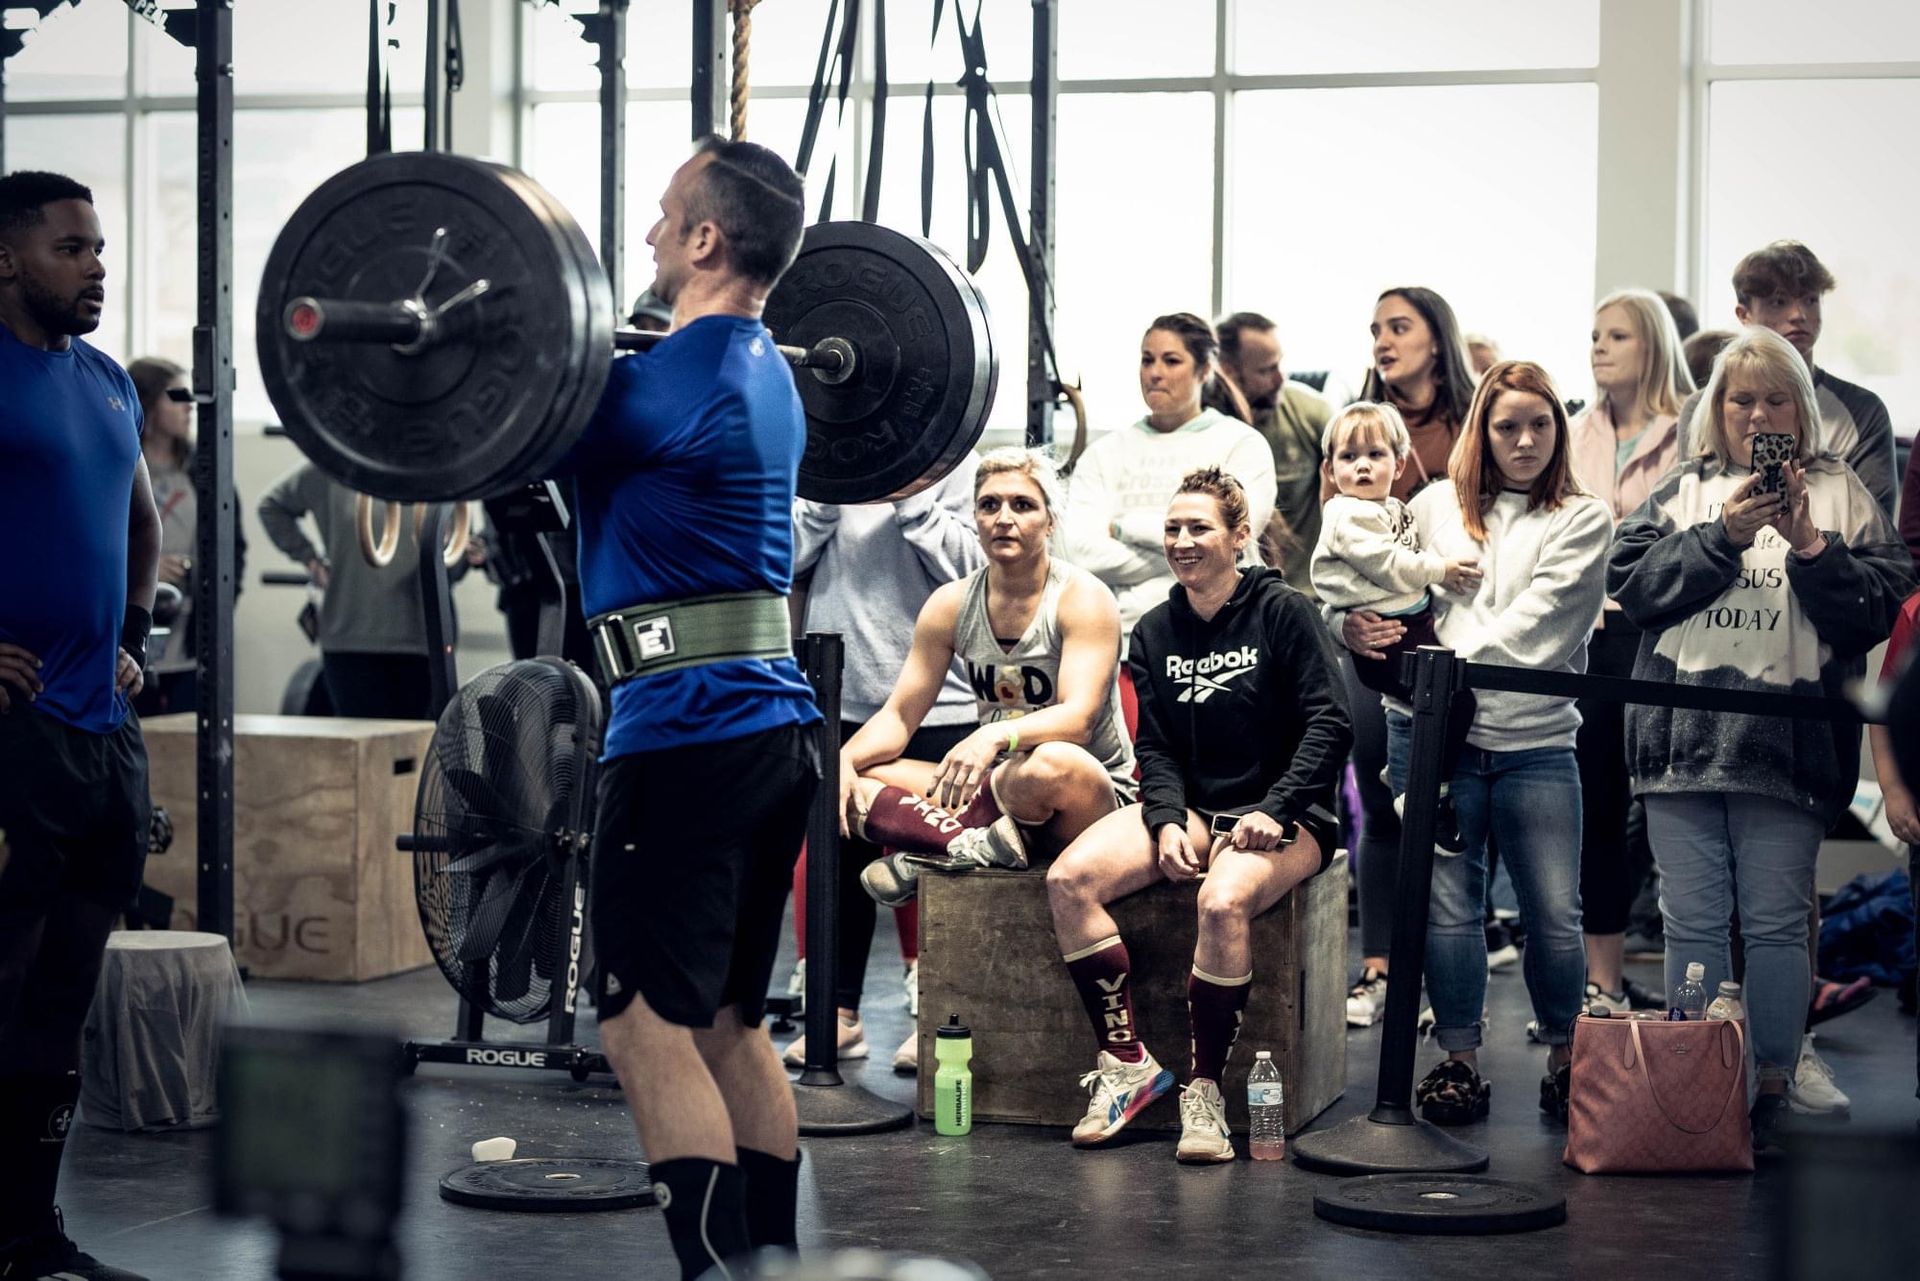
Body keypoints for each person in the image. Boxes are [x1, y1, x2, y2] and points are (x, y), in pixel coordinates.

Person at [555, 137, 824, 1280]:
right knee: (731, 1021)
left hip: (684, 740)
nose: (652, 235)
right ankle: (768, 1264)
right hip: (772, 735)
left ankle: (712, 1277)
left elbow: (495, 423)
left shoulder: (654, 389)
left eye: (668, 217)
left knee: (639, 1021)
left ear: (709, 238)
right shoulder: (762, 368)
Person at [1609, 325, 1912, 1149]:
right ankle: (1697, 1074)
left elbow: (1880, 605)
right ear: (1717, 408)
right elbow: (1631, 584)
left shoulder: (1844, 491)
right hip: (1681, 741)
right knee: (1692, 921)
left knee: (1779, 921)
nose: (1757, 413)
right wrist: (1725, 536)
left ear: (1802, 410)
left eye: (1776, 398)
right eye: (1741, 398)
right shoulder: (1683, 488)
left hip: (1789, 747)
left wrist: (1810, 544)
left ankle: (1775, 1076)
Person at [1046, 466, 1350, 1162]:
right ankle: (1127, 1066)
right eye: (1174, 528)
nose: (1182, 540)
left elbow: (1330, 724)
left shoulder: (1285, 611)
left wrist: (1276, 809)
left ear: (1240, 536)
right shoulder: (1152, 628)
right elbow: (1152, 743)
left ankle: (1205, 1092)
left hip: (1289, 811)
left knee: (1221, 901)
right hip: (1198, 806)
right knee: (1069, 880)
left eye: (1200, 527)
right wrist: (1166, 818)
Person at [1340, 360, 1611, 1125]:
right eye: (1506, 425)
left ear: (1559, 430)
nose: (1524, 440)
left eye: (1539, 424)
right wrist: (1348, 626)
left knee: (1555, 913)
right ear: (1481, 431)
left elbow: (1543, 629)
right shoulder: (1429, 506)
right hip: (1438, 748)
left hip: (1538, 746)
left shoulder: (1583, 517)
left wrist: (1439, 671)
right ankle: (1456, 1062)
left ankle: (1567, 1056)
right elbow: (1372, 588)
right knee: (1450, 913)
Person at [0, 170, 160, 1281]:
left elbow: (140, 524)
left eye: (99, 248)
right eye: (71, 248)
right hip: (15, 731)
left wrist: (129, 630)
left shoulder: (107, 382)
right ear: (8, 260)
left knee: (63, 998)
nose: (96, 266)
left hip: (103, 735)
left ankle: (28, 1234)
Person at [841, 449, 1136, 909]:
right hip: (995, 791)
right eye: (989, 505)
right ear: (974, 517)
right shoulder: (950, 604)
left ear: (1050, 521)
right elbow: (900, 716)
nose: (1003, 518)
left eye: (1022, 505)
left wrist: (996, 735)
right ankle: (964, 847)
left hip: (1084, 794)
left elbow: (1078, 720)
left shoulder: (1083, 598)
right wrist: (843, 759)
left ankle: (936, 846)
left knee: (1045, 763)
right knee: (863, 780)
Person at [782, 454, 985, 1074]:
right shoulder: (820, 466)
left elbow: (975, 571)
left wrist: (910, 495)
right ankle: (837, 1014)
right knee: (835, 857)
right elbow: (776, 560)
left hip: (935, 705)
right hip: (838, 691)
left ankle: (935, 1014)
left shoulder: (953, 461)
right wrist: (826, 494)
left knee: (932, 858)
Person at [1341, 286, 1479, 1029]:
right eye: (1375, 330)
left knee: (1452, 805)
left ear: (1436, 338)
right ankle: (1381, 969)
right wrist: (1342, 623)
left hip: (1456, 639)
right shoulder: (1358, 427)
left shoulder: (1471, 430)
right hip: (1376, 645)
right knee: (1381, 800)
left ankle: (1451, 973)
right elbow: (1326, 549)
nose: (1383, 341)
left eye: (1399, 327)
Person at [1566, 288, 1693, 1014]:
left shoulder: (1689, 433)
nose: (1599, 347)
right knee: (1601, 809)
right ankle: (1602, 982)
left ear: (1653, 346)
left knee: (1673, 806)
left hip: (1665, 636)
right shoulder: (1575, 432)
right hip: (1591, 640)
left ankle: (1693, 983)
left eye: (1616, 335)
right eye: (1593, 335)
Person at [1310, 401, 1481, 849]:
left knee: (1440, 702)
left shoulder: (1393, 507)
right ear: (1330, 469)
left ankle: (1404, 771)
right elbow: (1388, 565)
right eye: (1349, 458)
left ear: (1399, 462)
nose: (1362, 466)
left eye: (1375, 455)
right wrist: (1442, 568)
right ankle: (1425, 794)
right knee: (1456, 702)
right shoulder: (1347, 515)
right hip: (1385, 638)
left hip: (1410, 626)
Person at [1061, 313, 1275, 650]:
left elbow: (1234, 541)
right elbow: (1081, 554)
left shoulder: (1242, 444)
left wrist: (1124, 528)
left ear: (1205, 370)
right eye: (1147, 360)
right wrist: (1196, 553)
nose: (1155, 373)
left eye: (1171, 360)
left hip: (1227, 639)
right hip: (1128, 638)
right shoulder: (1105, 453)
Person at [1675, 241, 1896, 519]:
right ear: (1744, 314)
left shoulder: (1863, 410)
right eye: (1779, 302)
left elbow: (1874, 526)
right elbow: (1687, 507)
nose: (1798, 315)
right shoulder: (1702, 406)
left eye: (1810, 299)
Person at [257, 463, 461, 720]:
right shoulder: (335, 466)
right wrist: (309, 558)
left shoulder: (435, 469)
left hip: (420, 640)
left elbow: (457, 558)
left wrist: (454, 555)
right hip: (351, 637)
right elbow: (271, 506)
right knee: (362, 749)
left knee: (417, 749)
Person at [125, 356, 246, 716]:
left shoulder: (205, 467)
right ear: (147, 404)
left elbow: (232, 552)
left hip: (192, 641)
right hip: (127, 638)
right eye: (175, 395)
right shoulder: (118, 463)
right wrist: (145, 570)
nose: (189, 404)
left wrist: (217, 613)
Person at [1215, 311, 1332, 598]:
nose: (1281, 378)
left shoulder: (1312, 412)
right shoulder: (1208, 430)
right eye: (1266, 370)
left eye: (1279, 364)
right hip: (1235, 599)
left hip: (1309, 596)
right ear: (1228, 371)